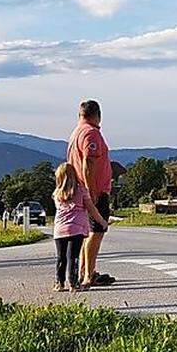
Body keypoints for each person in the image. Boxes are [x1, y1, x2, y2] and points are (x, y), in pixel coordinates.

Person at [67, 99, 115, 288]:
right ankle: (88, 275)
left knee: (87, 232)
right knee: (96, 232)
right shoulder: (91, 133)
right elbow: (89, 163)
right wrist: (92, 191)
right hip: (94, 191)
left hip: (79, 189)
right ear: (98, 115)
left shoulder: (76, 133)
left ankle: (85, 271)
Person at [51, 163, 108, 292]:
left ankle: (59, 283)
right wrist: (102, 221)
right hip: (76, 229)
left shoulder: (56, 193)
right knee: (73, 257)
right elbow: (91, 209)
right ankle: (73, 283)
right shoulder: (81, 190)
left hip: (60, 229)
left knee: (61, 257)